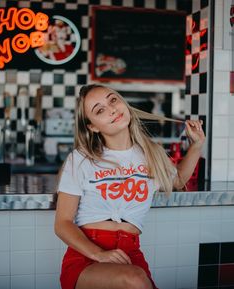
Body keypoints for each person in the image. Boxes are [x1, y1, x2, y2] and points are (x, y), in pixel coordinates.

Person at [54, 84, 205, 289]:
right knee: (134, 280)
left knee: (135, 278)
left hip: (129, 254)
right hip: (86, 257)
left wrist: (196, 145)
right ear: (92, 126)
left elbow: (177, 180)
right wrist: (98, 254)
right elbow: (62, 223)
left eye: (113, 100)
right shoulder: (81, 159)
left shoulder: (150, 153)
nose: (112, 109)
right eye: (100, 110)